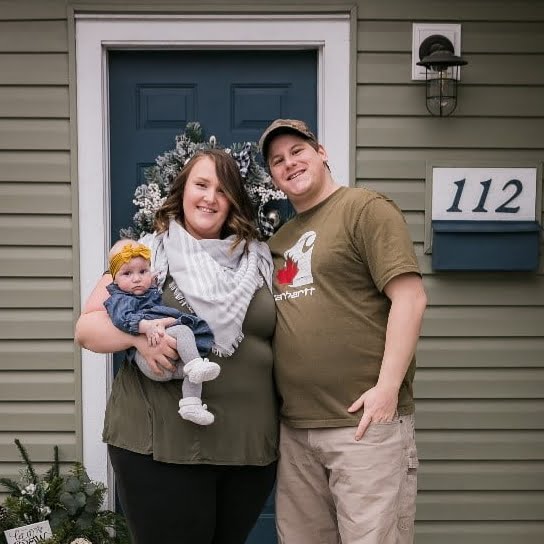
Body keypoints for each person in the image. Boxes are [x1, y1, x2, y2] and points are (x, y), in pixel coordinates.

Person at [75, 148, 278, 544]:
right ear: (182, 191)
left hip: (248, 448)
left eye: (222, 189)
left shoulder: (259, 258)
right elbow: (88, 326)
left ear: (234, 200)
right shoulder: (149, 254)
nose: (210, 197)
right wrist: (137, 337)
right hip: (162, 447)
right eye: (201, 185)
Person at [259, 119, 427, 544]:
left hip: (365, 426)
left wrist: (387, 389)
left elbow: (410, 298)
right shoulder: (279, 241)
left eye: (297, 151)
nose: (289, 163)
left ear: (322, 151)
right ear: (273, 177)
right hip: (297, 431)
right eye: (277, 161)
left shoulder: (364, 209)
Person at [104, 238, 219, 425]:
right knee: (183, 332)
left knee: (194, 371)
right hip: (148, 360)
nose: (136, 278)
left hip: (166, 368)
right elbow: (122, 319)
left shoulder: (149, 290)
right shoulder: (120, 299)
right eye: (127, 273)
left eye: (143, 271)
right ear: (114, 278)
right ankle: (195, 365)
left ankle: (191, 404)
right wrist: (147, 326)